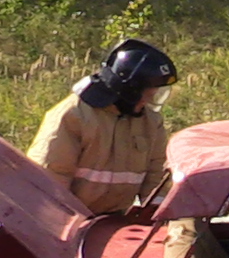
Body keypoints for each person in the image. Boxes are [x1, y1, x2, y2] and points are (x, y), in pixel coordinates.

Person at [27, 39, 178, 214]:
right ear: (128, 90)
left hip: (113, 221)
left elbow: (157, 180)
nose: (148, 102)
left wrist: (156, 218)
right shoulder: (73, 115)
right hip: (67, 221)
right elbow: (51, 179)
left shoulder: (151, 122)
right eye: (147, 94)